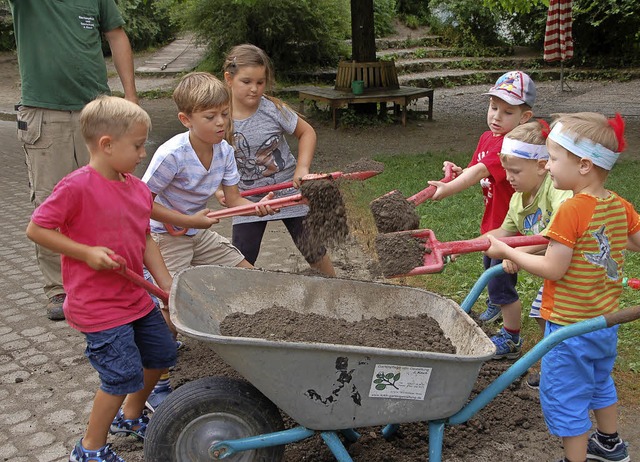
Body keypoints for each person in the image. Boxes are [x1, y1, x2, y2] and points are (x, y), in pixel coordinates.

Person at [25, 96, 175, 462]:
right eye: (138, 145)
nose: (143, 154)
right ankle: (89, 449)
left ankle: (132, 416)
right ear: (107, 144)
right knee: (120, 377)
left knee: (162, 355)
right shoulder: (76, 187)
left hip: (136, 298)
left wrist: (167, 283)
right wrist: (86, 252)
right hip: (99, 307)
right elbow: (37, 229)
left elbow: (144, 238)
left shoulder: (137, 188)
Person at [485, 112, 639, 462]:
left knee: (565, 395)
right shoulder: (619, 206)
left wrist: (507, 250)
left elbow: (553, 268)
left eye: (554, 158)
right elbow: (636, 239)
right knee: (599, 382)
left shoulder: (570, 210)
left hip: (569, 327)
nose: (548, 165)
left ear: (584, 165)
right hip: (602, 324)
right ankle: (610, 445)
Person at [141, 71, 275, 411]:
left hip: (198, 231)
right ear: (186, 119)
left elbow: (233, 200)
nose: (220, 123)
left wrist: (256, 206)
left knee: (247, 273)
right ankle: (159, 383)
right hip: (166, 236)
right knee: (172, 304)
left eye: (224, 114)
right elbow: (141, 203)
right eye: (210, 116)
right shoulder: (172, 154)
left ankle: (262, 342)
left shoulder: (225, 152)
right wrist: (186, 220)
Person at [9, 0, 138, 321]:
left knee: (108, 195)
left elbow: (117, 35)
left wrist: (131, 98)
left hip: (97, 109)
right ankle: (57, 289)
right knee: (52, 200)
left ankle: (110, 274)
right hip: (44, 111)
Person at [428, 70, 535, 335]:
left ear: (525, 117)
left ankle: (510, 334)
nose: (497, 116)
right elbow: (475, 169)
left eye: (507, 112)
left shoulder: (512, 145)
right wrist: (458, 172)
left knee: (502, 278)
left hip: (508, 225)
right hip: (493, 219)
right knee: (491, 266)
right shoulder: (488, 138)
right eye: (493, 107)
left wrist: (448, 188)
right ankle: (495, 304)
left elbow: (480, 172)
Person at [220, 44, 336, 276]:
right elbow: (212, 156)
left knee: (313, 249)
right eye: (247, 82)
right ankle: (239, 302)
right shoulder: (220, 116)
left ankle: (336, 288)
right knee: (242, 255)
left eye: (260, 82)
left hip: (288, 191)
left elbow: (307, 132)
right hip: (246, 198)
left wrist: (302, 168)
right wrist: (219, 190)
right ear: (229, 79)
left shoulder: (273, 109)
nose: (254, 89)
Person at [483, 120, 572, 370]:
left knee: (548, 316)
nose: (508, 178)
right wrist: (463, 247)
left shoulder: (556, 191)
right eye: (506, 170)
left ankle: (558, 364)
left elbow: (557, 232)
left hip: (571, 266)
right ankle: (556, 361)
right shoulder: (517, 199)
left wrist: (517, 252)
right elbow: (503, 232)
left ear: (542, 166)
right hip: (553, 267)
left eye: (516, 171)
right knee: (543, 314)